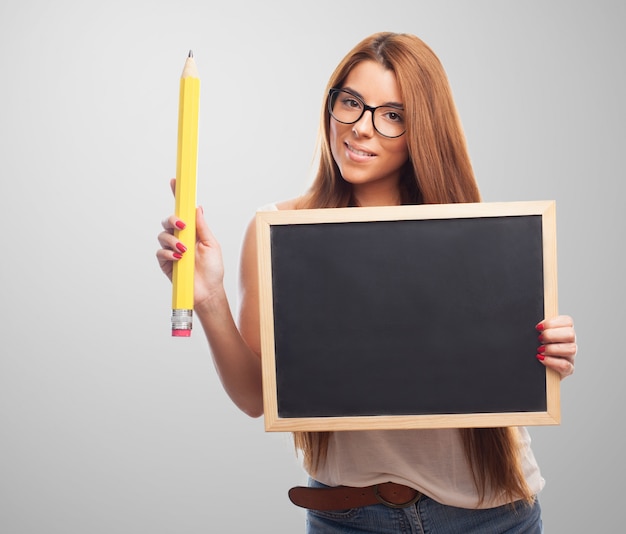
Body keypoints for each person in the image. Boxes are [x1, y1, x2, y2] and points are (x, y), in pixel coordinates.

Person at [157, 32, 577, 533]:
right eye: (351, 103)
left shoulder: (470, 233)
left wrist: (545, 354)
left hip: (489, 516)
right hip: (349, 518)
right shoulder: (279, 230)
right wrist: (208, 297)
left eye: (392, 115)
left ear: (423, 128)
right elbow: (255, 398)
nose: (361, 129)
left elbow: (493, 367)